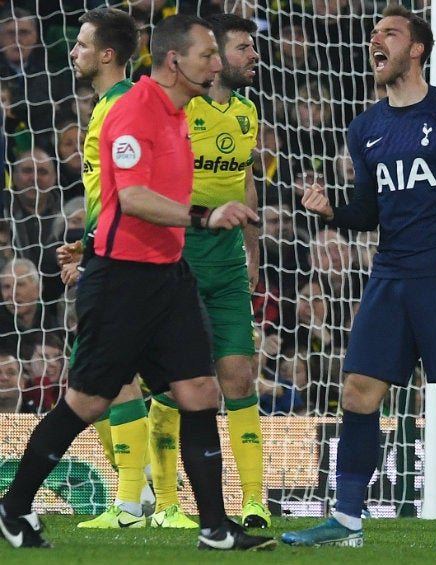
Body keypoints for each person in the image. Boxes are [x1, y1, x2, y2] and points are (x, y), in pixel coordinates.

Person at [0, 14, 271, 551]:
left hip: (167, 276)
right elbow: (132, 197)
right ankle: (12, 508)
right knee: (87, 401)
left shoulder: (177, 113)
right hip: (122, 279)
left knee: (199, 391)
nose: (217, 66)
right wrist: (203, 217)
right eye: (207, 56)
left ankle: (215, 528)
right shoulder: (134, 110)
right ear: (175, 62)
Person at [281, 6, 436, 549]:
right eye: (373, 33)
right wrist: (331, 211)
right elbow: (368, 212)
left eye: (390, 33)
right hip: (390, 276)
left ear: (418, 49)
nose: (375, 40)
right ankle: (348, 519)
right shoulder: (366, 128)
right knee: (356, 392)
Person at [143, 12, 269, 531]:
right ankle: (167, 503)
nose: (252, 56)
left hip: (227, 259)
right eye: (242, 48)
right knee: (178, 382)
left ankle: (255, 501)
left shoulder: (247, 113)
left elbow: (243, 182)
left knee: (239, 375)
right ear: (212, 57)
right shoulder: (177, 111)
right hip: (178, 252)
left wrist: (253, 251)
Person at [58, 7, 154, 531]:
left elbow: (135, 193)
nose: (74, 52)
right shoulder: (105, 108)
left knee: (110, 377)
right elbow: (110, 196)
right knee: (93, 378)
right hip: (110, 252)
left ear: (107, 54)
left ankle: (133, 502)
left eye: (81, 44)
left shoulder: (126, 106)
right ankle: (138, 493)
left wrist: (100, 249)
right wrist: (89, 248)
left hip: (129, 258)